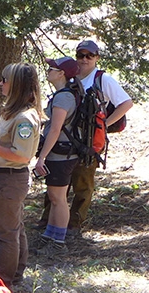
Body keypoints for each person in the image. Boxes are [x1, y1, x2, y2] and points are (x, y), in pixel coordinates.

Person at [38, 39, 136, 236]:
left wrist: (104, 125)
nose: (84, 59)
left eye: (89, 55)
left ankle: (74, 225)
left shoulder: (103, 79)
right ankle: (48, 221)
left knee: (83, 184)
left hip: (89, 142)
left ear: (97, 57)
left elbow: (126, 103)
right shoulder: (71, 79)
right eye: (81, 55)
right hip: (67, 140)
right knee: (57, 181)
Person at [0, 63, 41, 287]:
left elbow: (21, 155)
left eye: (5, 80)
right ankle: (15, 273)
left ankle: (3, 280)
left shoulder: (24, 118)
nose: (1, 84)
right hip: (4, 177)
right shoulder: (13, 113)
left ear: (17, 85)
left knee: (6, 233)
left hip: (9, 178)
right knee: (15, 228)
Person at [34, 57, 83, 250]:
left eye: (52, 68)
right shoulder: (65, 94)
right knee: (54, 196)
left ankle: (58, 241)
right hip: (63, 153)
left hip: (61, 155)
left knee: (59, 197)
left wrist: (42, 157)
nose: (48, 71)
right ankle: (50, 235)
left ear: (61, 73)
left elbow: (55, 130)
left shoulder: (63, 97)